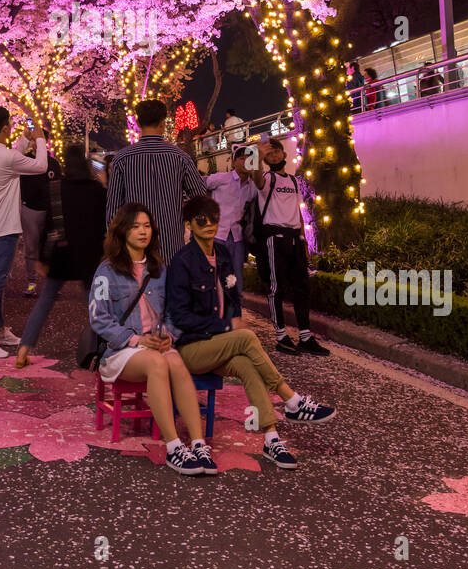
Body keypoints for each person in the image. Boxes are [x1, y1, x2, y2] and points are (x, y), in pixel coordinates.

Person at [165, 195, 335, 469]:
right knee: (246, 336)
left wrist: (230, 322)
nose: (209, 223)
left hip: (221, 344)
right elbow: (181, 317)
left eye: (213, 217)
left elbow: (233, 297)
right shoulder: (182, 262)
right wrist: (225, 327)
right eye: (201, 219)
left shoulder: (222, 253)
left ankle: (271, 438)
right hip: (192, 348)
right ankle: (291, 399)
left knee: (247, 365)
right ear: (188, 225)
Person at [89, 202, 216, 476]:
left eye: (146, 226)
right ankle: (173, 448)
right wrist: (137, 340)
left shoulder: (160, 269)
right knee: (157, 364)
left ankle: (198, 443)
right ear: (122, 231)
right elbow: (99, 318)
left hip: (154, 345)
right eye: (135, 227)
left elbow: (174, 311)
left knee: (175, 363)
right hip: (121, 351)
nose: (142, 232)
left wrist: (168, 336)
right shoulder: (107, 271)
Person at [15, 144, 107, 368]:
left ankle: (24, 349)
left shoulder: (56, 188)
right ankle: (101, 352)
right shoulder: (97, 190)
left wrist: (42, 259)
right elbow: (103, 224)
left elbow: (49, 226)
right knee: (95, 305)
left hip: (62, 254)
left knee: (45, 301)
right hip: (90, 255)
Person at [0, 105, 48, 358]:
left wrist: (27, 135)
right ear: (5, 128)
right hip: (4, 225)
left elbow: (12, 153)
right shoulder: (6, 157)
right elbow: (39, 166)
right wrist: (40, 141)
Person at [249, 139, 328, 357]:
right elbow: (255, 176)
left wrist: (304, 239)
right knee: (277, 288)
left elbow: (297, 211)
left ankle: (305, 336)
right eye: (269, 154)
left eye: (277, 153)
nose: (274, 157)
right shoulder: (266, 177)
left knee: (302, 288)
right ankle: (281, 336)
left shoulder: (294, 181)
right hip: (274, 237)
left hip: (294, 238)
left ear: (284, 154)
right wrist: (256, 154)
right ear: (265, 159)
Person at [105, 98, 206, 264]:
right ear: (163, 123)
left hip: (136, 251)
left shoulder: (121, 159)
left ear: (137, 123)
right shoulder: (180, 157)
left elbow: (113, 211)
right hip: (173, 249)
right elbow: (201, 198)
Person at [205, 144, 256, 306]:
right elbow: (199, 185)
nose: (245, 161)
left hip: (237, 238)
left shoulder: (253, 186)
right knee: (214, 275)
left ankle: (235, 313)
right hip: (217, 235)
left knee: (236, 277)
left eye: (249, 158)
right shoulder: (220, 179)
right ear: (234, 162)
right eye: (241, 158)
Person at [19, 128, 61, 296]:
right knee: (30, 248)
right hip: (29, 209)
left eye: (41, 139)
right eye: (35, 139)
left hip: (50, 211)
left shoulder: (53, 163)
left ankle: (51, 284)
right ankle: (31, 283)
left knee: (51, 248)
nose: (37, 142)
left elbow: (57, 187)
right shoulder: (25, 160)